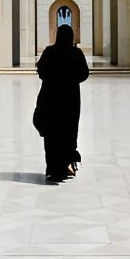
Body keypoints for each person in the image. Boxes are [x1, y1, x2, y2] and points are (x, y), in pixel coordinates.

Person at [33, 24, 90, 182]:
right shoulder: (76, 53)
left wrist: (53, 79)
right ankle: (67, 165)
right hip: (70, 100)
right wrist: (70, 80)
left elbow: (41, 71)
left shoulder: (49, 52)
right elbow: (84, 74)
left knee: (52, 134)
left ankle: (52, 169)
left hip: (51, 98)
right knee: (68, 132)